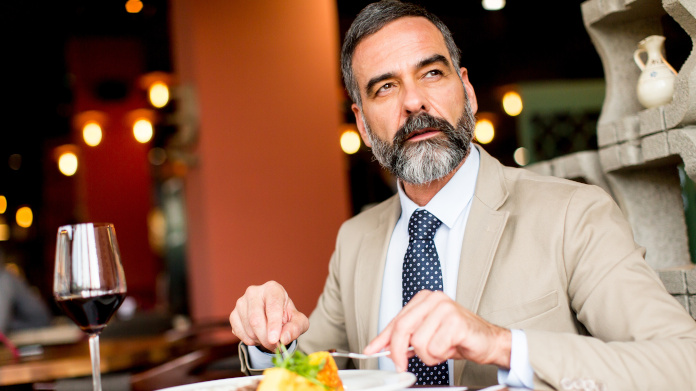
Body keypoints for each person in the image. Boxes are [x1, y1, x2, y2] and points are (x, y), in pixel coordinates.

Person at [229, 1, 696, 389]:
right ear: (363, 125)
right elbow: (302, 371)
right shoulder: (355, 240)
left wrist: (502, 344)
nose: (413, 101)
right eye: (385, 87)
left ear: (467, 92)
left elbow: (682, 364)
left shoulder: (574, 214)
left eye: (431, 74)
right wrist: (268, 335)